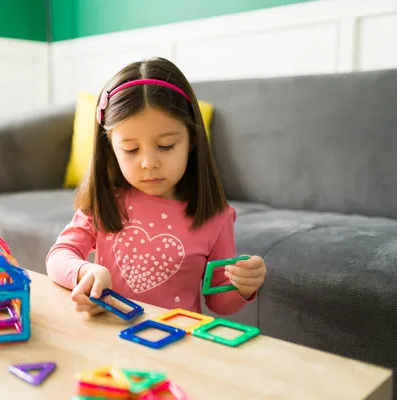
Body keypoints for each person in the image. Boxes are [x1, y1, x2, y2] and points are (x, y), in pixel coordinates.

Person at [46, 57, 267, 316]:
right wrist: (86, 272)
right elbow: (60, 255)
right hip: (111, 336)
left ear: (192, 140)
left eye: (165, 146)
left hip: (176, 342)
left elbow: (219, 302)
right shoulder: (107, 202)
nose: (149, 163)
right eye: (130, 149)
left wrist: (243, 286)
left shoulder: (215, 217)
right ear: (111, 149)